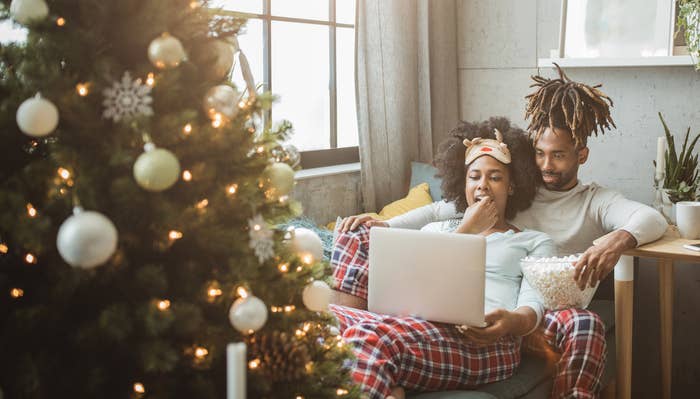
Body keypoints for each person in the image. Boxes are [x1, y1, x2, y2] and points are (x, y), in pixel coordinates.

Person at [339, 67, 668, 398]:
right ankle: (353, 320)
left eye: (558, 155)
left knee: (584, 322)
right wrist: (384, 225)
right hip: (443, 314)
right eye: (539, 153)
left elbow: (651, 218)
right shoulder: (507, 192)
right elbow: (440, 208)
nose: (546, 165)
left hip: (537, 307)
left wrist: (618, 238)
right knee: (357, 237)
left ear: (581, 154)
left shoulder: (593, 202)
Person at [331, 120, 567, 399]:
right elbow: (416, 280)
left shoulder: (533, 241)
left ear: (512, 186)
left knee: (368, 335)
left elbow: (533, 306)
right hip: (413, 325)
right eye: (475, 176)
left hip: (485, 342)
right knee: (322, 321)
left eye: (495, 177)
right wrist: (372, 225)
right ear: (462, 182)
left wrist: (511, 321)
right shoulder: (434, 230)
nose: (483, 186)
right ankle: (386, 388)